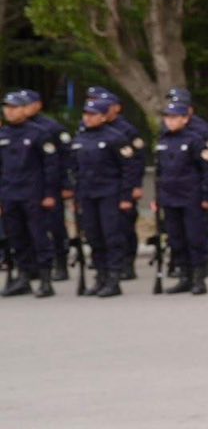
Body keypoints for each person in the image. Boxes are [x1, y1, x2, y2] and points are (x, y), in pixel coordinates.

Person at [72, 94, 145, 296]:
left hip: (109, 194)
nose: (88, 118)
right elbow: (75, 169)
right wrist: (77, 196)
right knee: (93, 236)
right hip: (88, 194)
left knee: (111, 236)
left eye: (93, 114)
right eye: (86, 114)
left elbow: (128, 169)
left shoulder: (115, 138)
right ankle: (100, 276)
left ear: (103, 117)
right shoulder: (80, 138)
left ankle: (114, 278)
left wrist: (126, 196)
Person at [1, 89, 67, 298]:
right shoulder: (3, 135)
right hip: (10, 193)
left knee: (39, 236)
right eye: (7, 107)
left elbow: (51, 166)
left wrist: (49, 193)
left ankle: (45, 279)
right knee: (16, 237)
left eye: (14, 107)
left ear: (24, 110)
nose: (9, 112)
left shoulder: (39, 133)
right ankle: (23, 277)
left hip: (33, 193)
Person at [154, 101, 208, 294]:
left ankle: (199, 277)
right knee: (176, 238)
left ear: (185, 119)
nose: (170, 121)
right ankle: (184, 276)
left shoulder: (195, 139)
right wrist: (157, 197)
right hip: (170, 197)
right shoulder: (163, 141)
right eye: (167, 117)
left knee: (194, 237)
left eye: (174, 117)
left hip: (191, 197)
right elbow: (159, 172)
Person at [89, 87, 148, 278]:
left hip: (121, 187)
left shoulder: (126, 130)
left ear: (116, 108)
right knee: (101, 230)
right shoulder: (88, 130)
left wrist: (135, 185)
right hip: (97, 188)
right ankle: (106, 265)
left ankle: (127, 263)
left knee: (124, 227)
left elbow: (136, 161)